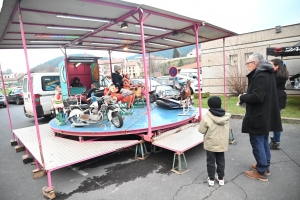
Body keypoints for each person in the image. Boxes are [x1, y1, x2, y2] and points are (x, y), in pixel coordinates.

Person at [239, 53, 282, 182]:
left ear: (255, 63)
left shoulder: (261, 74)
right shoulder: (266, 73)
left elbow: (257, 97)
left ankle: (261, 170)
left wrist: (242, 97)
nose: (247, 66)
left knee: (257, 141)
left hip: (259, 115)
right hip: (263, 114)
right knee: (263, 140)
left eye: (248, 63)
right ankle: (264, 165)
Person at [198, 96, 231, 187]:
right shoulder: (226, 116)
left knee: (210, 162)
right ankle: (221, 178)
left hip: (210, 143)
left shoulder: (206, 117)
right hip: (222, 143)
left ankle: (211, 179)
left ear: (209, 105)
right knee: (221, 161)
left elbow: (201, 130)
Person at [269, 59, 289, 150]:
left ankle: (276, 141)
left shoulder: (277, 76)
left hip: (277, 98)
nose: (270, 67)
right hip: (279, 98)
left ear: (277, 66)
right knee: (276, 120)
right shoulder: (280, 74)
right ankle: (276, 140)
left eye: (271, 65)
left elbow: (270, 84)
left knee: (276, 121)